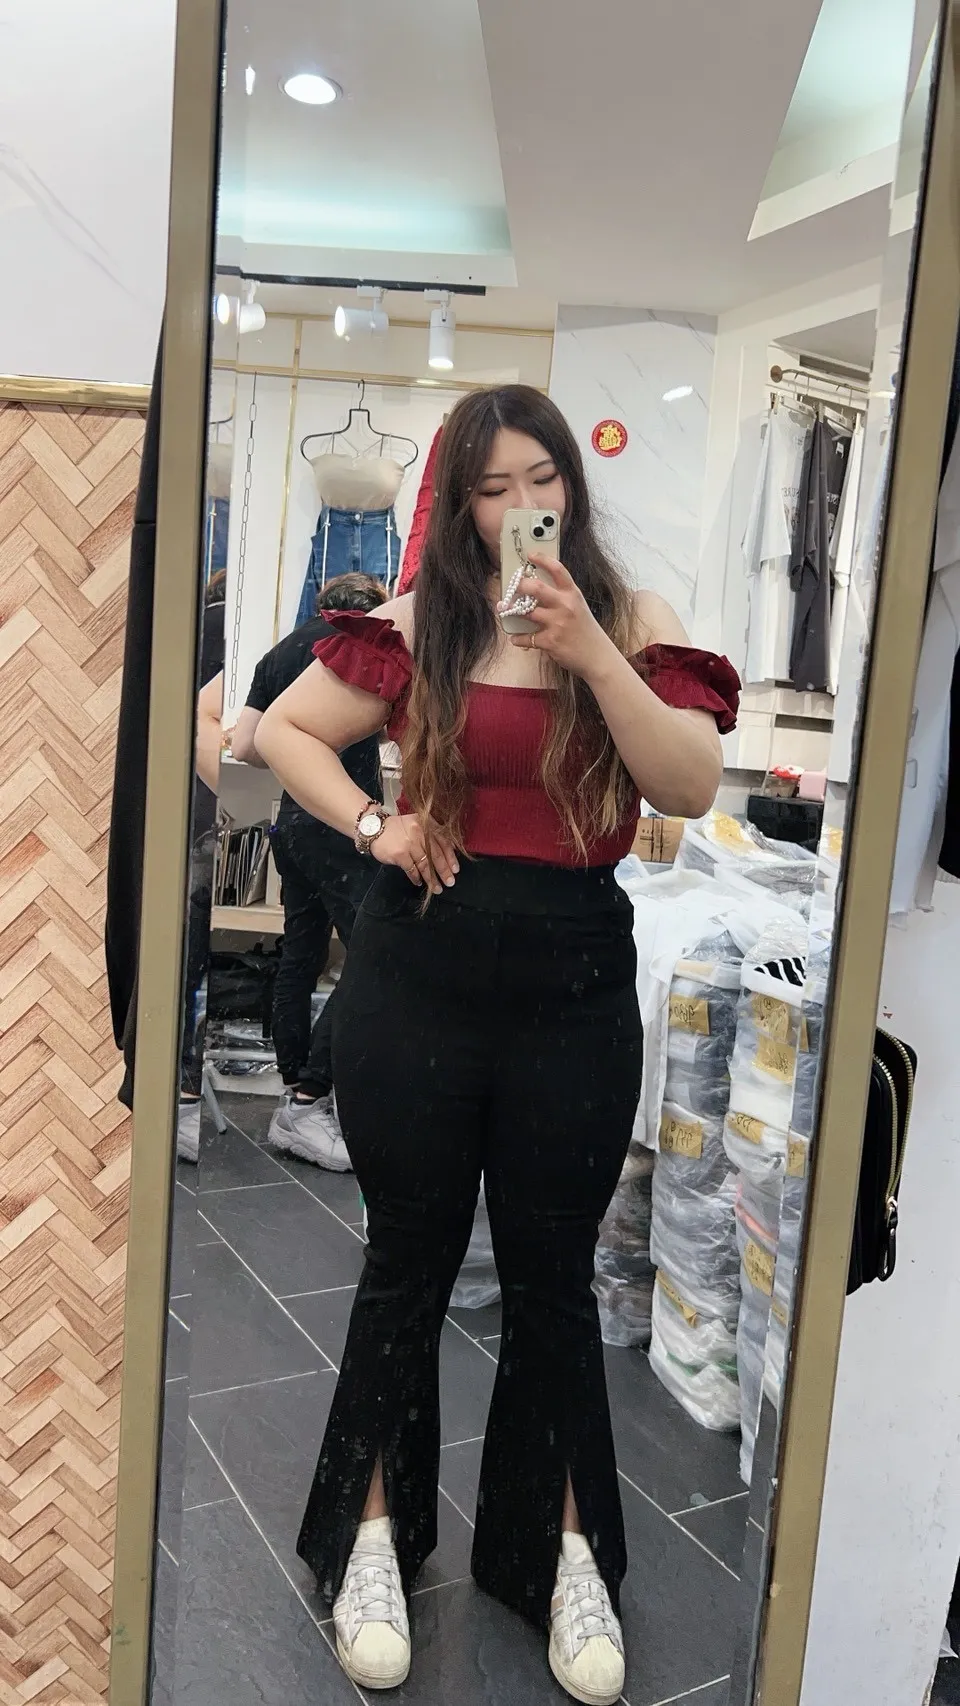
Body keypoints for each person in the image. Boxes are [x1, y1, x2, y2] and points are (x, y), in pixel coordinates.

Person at [254, 385, 739, 1703]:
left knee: (552, 1276)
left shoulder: (635, 619)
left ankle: (565, 1552)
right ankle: (368, 1538)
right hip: (421, 967)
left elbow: (689, 784)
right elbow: (281, 729)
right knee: (405, 1263)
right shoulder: (422, 623)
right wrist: (378, 826)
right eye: (491, 486)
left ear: (572, 484)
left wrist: (592, 654)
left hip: (574, 981)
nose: (523, 504)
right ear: (461, 506)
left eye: (543, 478)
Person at [231, 572, 388, 1169]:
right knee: (375, 954)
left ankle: (293, 1082)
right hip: (343, 824)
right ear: (374, 612)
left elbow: (247, 747)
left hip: (292, 824)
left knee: (301, 954)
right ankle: (309, 1098)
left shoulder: (279, 653)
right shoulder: (361, 647)